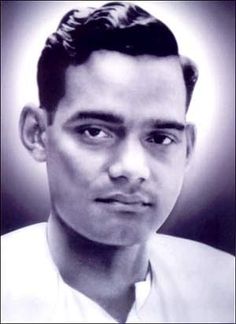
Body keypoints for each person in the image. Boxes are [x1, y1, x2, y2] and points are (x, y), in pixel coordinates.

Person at [1, 2, 234, 323]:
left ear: (188, 148)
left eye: (160, 138)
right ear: (37, 133)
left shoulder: (225, 289)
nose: (132, 168)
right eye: (95, 132)